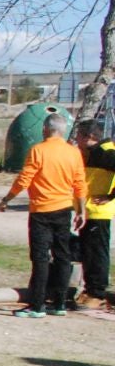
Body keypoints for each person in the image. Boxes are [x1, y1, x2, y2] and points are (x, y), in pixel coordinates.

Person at [0, 111, 86, 318]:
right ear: (63, 131)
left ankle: (37, 304)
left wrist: (7, 199)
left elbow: (24, 179)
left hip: (41, 210)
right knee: (62, 256)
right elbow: (80, 183)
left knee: (40, 258)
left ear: (45, 129)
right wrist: (81, 210)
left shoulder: (38, 150)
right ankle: (60, 303)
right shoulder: (73, 153)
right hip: (64, 209)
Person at [76, 121, 113, 300]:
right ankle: (90, 289)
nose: (76, 139)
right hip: (88, 210)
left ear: (89, 136)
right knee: (88, 252)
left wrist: (111, 196)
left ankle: (97, 293)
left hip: (99, 211)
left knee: (97, 252)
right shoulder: (92, 152)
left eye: (78, 135)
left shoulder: (106, 152)